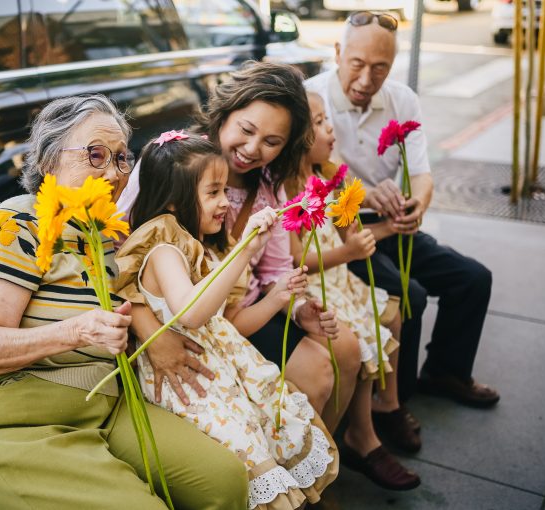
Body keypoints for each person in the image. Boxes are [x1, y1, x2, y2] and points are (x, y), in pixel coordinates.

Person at [0, 95, 249, 509]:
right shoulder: (18, 223)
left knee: (225, 480)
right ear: (50, 161)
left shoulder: (106, 233)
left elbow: (139, 297)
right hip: (17, 423)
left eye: (122, 158)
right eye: (96, 155)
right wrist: (77, 330)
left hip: (104, 409)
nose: (113, 171)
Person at [119, 62, 358, 431]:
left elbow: (275, 270)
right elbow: (116, 256)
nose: (251, 149)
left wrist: (296, 310)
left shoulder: (269, 188)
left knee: (342, 349)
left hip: (240, 313)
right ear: (224, 114)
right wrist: (152, 335)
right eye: (246, 130)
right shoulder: (172, 163)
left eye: (271, 142)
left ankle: (339, 450)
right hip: (182, 321)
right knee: (317, 370)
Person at [116, 132, 339, 509]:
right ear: (173, 201)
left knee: (263, 437)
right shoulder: (163, 248)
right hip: (192, 386)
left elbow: (222, 324)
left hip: (220, 374)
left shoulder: (190, 245)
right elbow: (191, 312)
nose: (225, 203)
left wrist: (277, 297)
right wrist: (245, 250)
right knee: (246, 457)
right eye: (213, 192)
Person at [305, 12, 499, 409]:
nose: (365, 80)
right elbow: (327, 173)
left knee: (473, 279)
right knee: (410, 296)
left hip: (392, 223)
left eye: (380, 68)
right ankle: (394, 403)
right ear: (338, 52)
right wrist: (369, 195)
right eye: (357, 64)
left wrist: (417, 208)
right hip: (341, 229)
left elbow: (422, 174)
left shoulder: (402, 99)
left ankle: (446, 372)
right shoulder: (312, 98)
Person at [287, 90, 420, 490]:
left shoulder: (328, 173)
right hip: (318, 284)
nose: (330, 129)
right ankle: (361, 435)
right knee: (364, 331)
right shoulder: (291, 188)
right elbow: (297, 259)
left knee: (392, 312)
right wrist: (347, 250)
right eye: (320, 123)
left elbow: (350, 229)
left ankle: (386, 405)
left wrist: (372, 229)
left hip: (340, 278)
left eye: (328, 119)